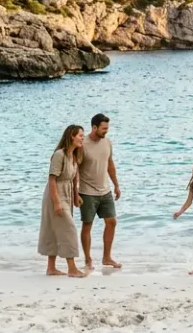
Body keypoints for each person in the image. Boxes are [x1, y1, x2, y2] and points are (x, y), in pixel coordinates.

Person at [39, 125, 87, 277]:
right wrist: (57, 202)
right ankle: (72, 268)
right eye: (80, 135)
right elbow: (52, 179)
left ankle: (51, 268)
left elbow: (74, 178)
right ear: (71, 136)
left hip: (66, 193)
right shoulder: (59, 155)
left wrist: (75, 195)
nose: (82, 138)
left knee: (55, 230)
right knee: (69, 229)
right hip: (55, 194)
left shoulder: (74, 155)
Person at [79, 113, 122, 270]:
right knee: (87, 224)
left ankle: (107, 258)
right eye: (104, 129)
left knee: (112, 222)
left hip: (105, 191)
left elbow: (110, 164)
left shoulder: (107, 143)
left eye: (108, 128)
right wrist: (75, 191)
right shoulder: (82, 144)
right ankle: (88, 259)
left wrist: (116, 185)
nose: (106, 131)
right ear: (94, 127)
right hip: (87, 191)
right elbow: (75, 168)